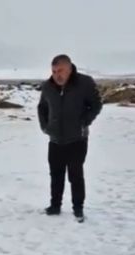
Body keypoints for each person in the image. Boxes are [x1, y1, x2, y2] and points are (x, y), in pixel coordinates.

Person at [38, 54, 102, 222]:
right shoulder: (47, 87)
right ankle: (55, 206)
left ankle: (78, 208)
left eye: (60, 70)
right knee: (56, 174)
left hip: (77, 139)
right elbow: (42, 108)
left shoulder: (84, 83)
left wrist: (84, 122)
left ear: (69, 69)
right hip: (55, 139)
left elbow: (96, 104)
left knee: (75, 175)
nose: (56, 75)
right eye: (53, 71)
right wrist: (45, 127)